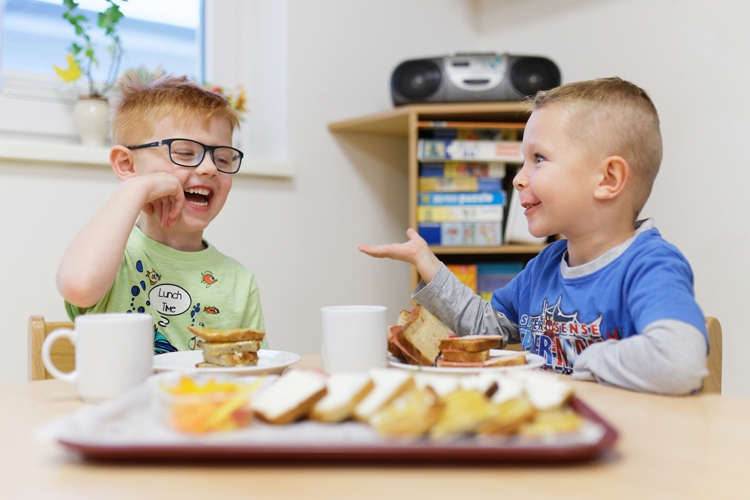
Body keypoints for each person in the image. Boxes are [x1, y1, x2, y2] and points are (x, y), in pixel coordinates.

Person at [359, 77, 708, 395]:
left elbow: (680, 361)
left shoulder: (650, 265)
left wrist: (586, 359)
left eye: (538, 159)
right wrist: (427, 262)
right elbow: (487, 327)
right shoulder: (544, 266)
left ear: (608, 179)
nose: (518, 179)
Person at [56, 74, 266, 354]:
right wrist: (135, 190)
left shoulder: (239, 281)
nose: (210, 168)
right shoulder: (115, 261)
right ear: (127, 165)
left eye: (223, 158)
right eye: (184, 153)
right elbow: (78, 287)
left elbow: (253, 372)